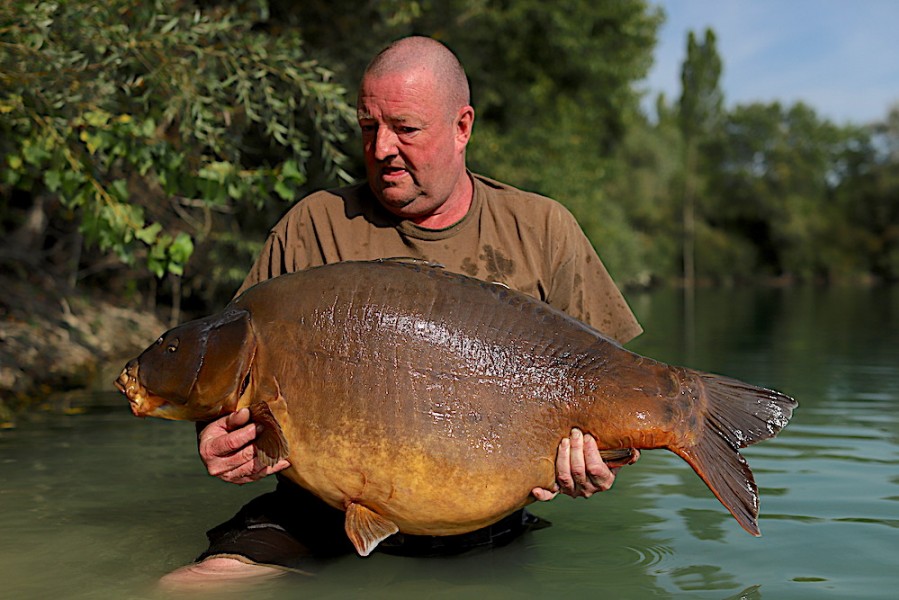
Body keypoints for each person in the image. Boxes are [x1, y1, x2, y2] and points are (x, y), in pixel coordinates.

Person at [162, 35, 642, 586]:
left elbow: (616, 397)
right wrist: (214, 435)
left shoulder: (541, 231)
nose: (383, 147)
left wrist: (602, 462)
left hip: (484, 519)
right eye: (369, 128)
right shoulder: (313, 227)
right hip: (318, 510)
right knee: (186, 589)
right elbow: (222, 373)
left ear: (462, 127)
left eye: (406, 129)